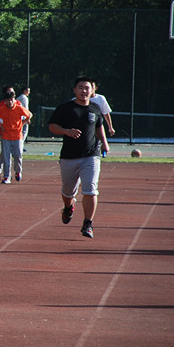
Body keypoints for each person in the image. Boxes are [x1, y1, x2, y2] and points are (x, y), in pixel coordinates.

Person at [48, 76, 110, 239]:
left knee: (90, 189)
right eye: (81, 87)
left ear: (93, 90)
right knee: (68, 191)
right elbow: (52, 126)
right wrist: (66, 131)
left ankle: (88, 223)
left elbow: (99, 127)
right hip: (69, 157)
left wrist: (104, 143)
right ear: (75, 90)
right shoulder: (65, 108)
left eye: (87, 87)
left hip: (91, 155)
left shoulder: (95, 109)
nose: (84, 91)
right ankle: (68, 206)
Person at [0, 89, 32, 183]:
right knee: (6, 157)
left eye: (11, 99)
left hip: (17, 136)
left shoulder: (19, 108)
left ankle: (18, 172)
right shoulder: (2, 109)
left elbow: (29, 115)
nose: (10, 102)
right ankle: (6, 177)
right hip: (6, 136)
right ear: (5, 101)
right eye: (8, 100)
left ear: (14, 99)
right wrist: (0, 126)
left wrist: (23, 123)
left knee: (18, 155)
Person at [0, 85, 15, 180]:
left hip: (15, 133)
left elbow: (22, 116)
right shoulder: (0, 105)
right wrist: (2, 125)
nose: (11, 94)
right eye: (9, 92)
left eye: (12, 92)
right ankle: (6, 173)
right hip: (5, 132)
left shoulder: (17, 104)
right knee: (7, 152)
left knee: (10, 152)